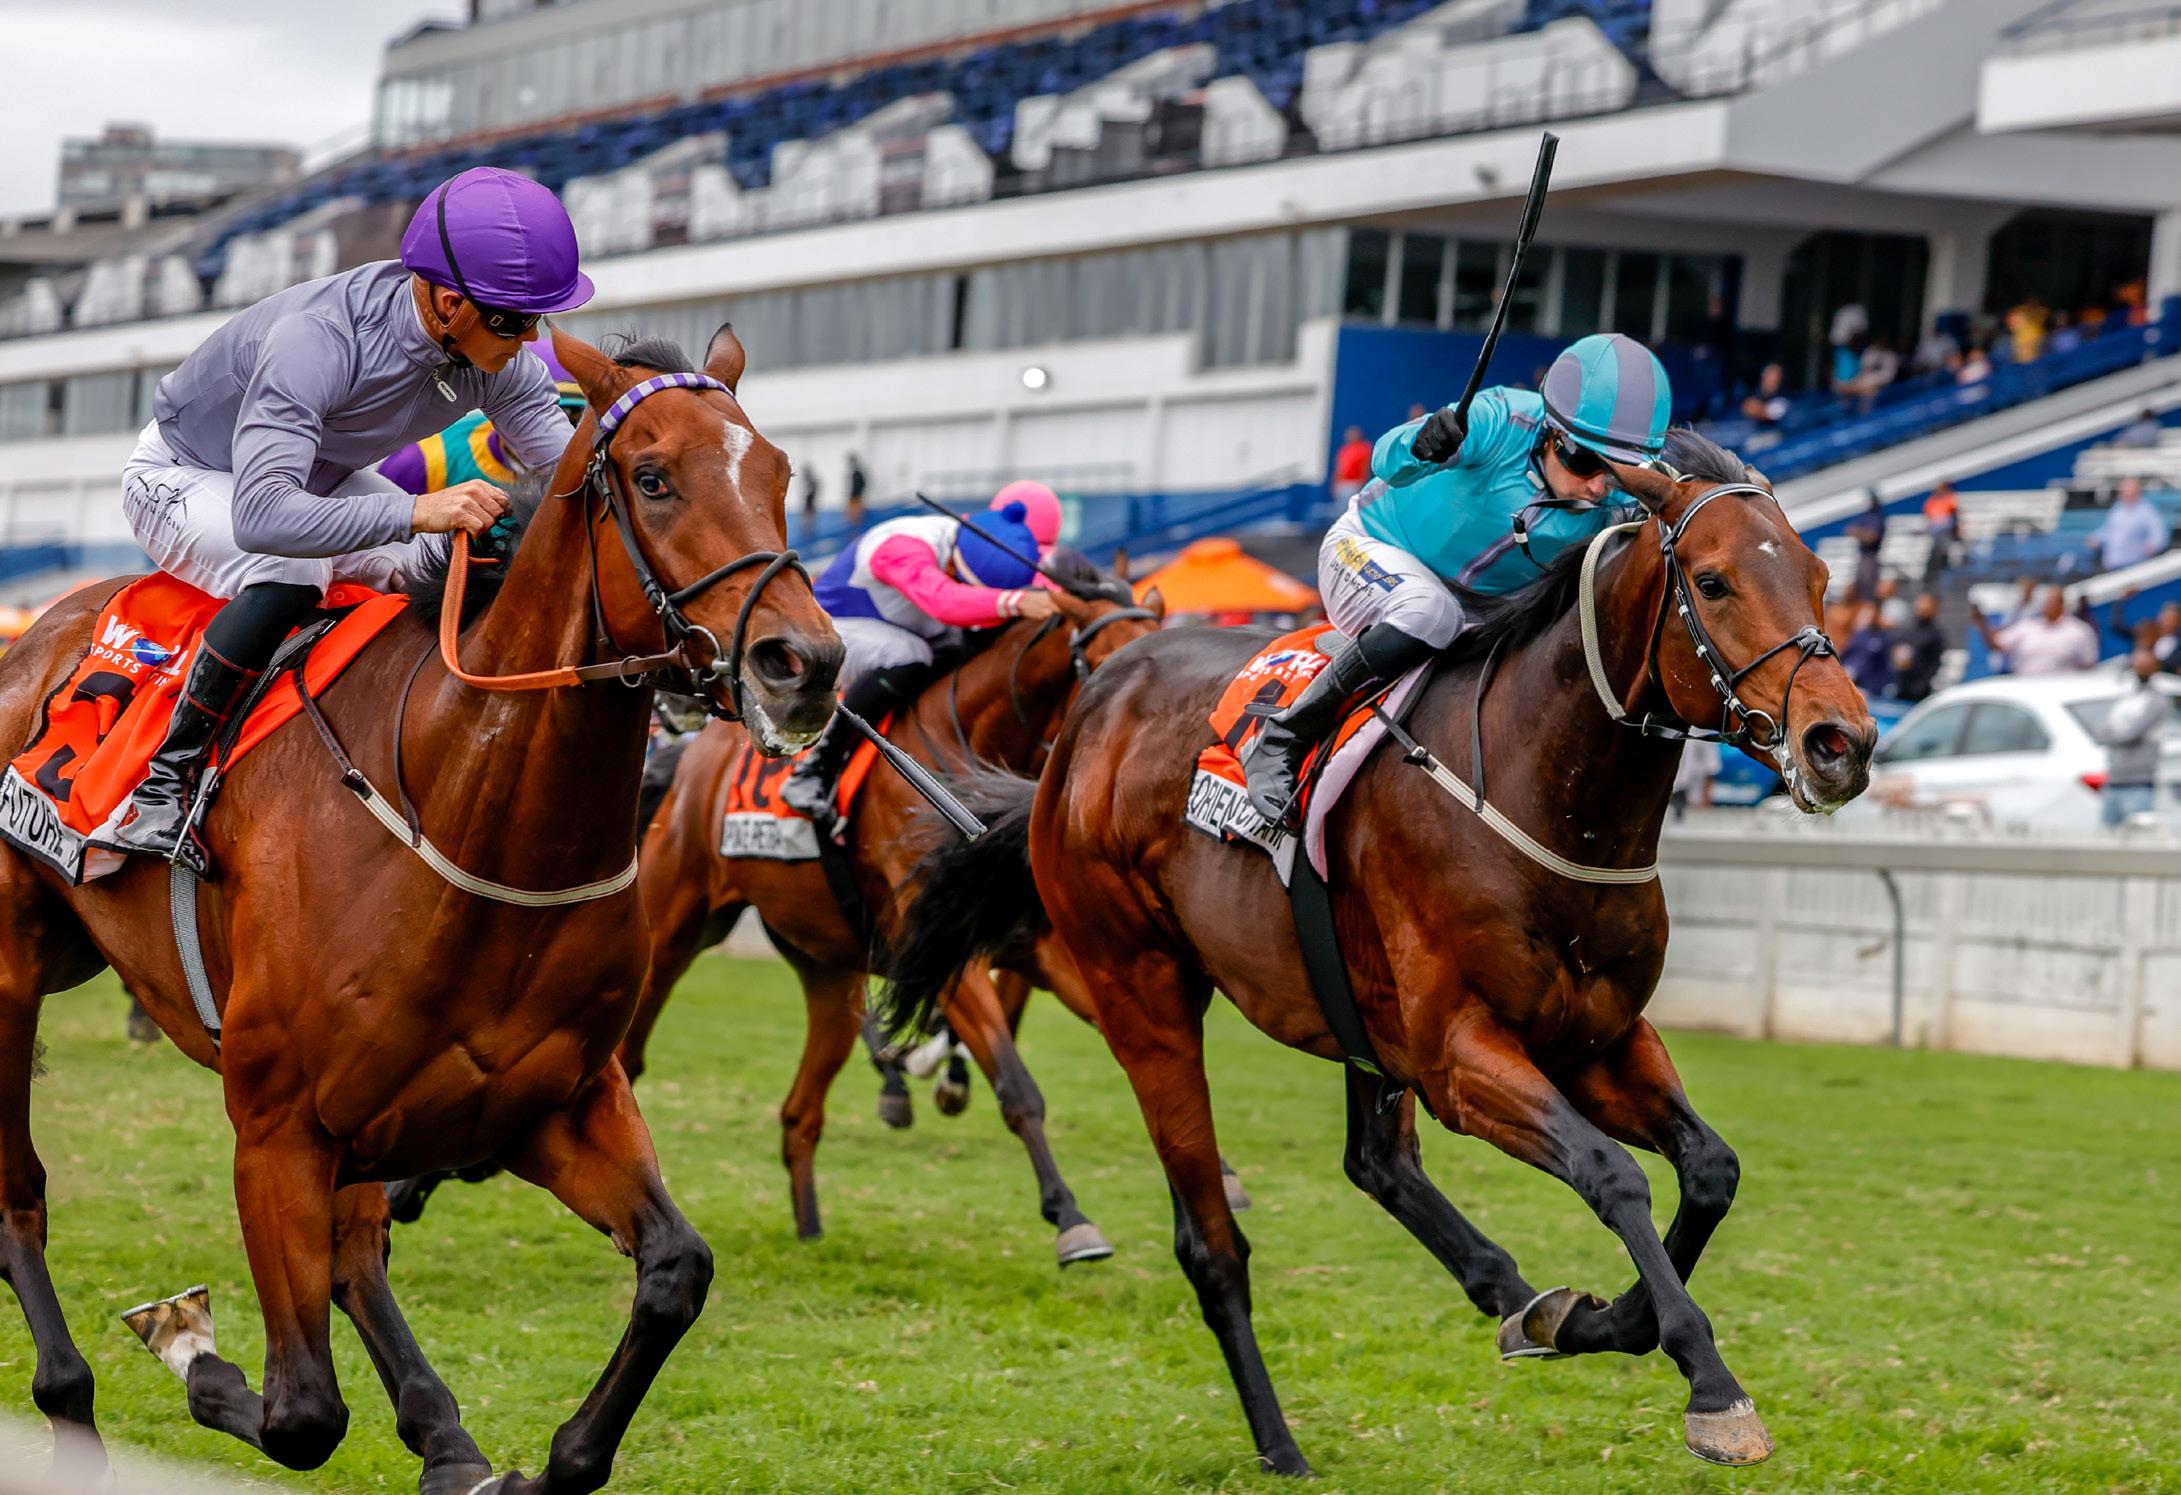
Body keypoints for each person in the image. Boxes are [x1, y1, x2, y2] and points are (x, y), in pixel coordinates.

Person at [110, 166, 594, 868]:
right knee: (293, 566)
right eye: (516, 321)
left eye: (539, 319)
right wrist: (419, 508)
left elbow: (573, 476)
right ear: (450, 303)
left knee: (440, 564)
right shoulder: (315, 340)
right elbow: (264, 517)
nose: (529, 339)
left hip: (317, 478)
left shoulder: (496, 359)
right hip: (185, 475)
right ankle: (162, 783)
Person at [1242, 332, 1672, 821]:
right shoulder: (1498, 418)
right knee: (1430, 612)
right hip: (1371, 548)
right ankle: (1284, 736)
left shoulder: (1621, 496)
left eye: (1618, 471)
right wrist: (1421, 444)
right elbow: (1387, 459)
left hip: (1483, 608)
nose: (1598, 486)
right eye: (1586, 460)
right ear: (1550, 433)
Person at [782, 497, 1052, 828]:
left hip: (904, 623)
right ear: (952, 565)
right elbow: (944, 602)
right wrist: (1015, 601)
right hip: (834, 630)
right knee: (912, 655)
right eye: (961, 580)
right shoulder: (902, 547)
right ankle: (816, 769)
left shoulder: (974, 542)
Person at [378, 341, 589, 494]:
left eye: (574, 417)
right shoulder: (422, 462)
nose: (555, 429)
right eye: (530, 415)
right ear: (501, 406)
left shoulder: (593, 467)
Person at [2096, 648, 2171, 828]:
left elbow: (2131, 734)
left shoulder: (2156, 700)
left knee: (2139, 837)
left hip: (2139, 781)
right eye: (2137, 665)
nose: (2140, 669)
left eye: (2145, 665)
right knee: (2108, 836)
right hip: (2114, 778)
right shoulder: (2126, 698)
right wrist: (2116, 734)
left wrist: (2115, 735)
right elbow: (2102, 733)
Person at [1971, 586, 2100, 676]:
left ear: (2061, 605)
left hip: (2062, 691)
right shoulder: (2027, 627)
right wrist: (1982, 624)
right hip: (2026, 691)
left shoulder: (2079, 630)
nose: (2048, 606)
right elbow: (1996, 645)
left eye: (2052, 602)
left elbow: (2088, 664)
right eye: (2046, 602)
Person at [2087, 476, 2171, 572]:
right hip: (2112, 562)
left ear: (2136, 491)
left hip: (2134, 565)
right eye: (2122, 489)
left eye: (2127, 489)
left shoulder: (2147, 511)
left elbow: (2159, 533)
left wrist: (2153, 545)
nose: (2123, 491)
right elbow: (2108, 529)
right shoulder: (2117, 508)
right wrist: (2096, 537)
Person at [1889, 592, 1947, 702]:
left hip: (1919, 691)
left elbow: (1935, 663)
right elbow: (1897, 649)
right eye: (1921, 602)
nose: (1922, 606)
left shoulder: (1935, 634)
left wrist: (1921, 684)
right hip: (1901, 684)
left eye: (1927, 603)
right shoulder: (1908, 628)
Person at [1841, 601, 1893, 697]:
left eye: (1873, 614)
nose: (1870, 617)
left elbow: (1884, 667)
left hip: (1868, 689)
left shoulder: (1884, 638)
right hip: (1849, 682)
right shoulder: (1859, 634)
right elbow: (1846, 655)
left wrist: (1873, 689)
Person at [1848, 493, 1886, 604]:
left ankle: (1869, 605)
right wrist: (1864, 534)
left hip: (1872, 555)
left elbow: (1872, 537)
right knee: (1859, 584)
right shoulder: (1865, 516)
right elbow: (1849, 530)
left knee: (1869, 586)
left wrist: (1860, 533)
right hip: (1863, 555)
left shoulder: (1878, 517)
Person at [1670, 735, 1718, 819]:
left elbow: (1711, 772)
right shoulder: (1674, 734)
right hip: (1676, 793)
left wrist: (1705, 797)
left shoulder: (1705, 736)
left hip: (1695, 800)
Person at [1922, 481, 1959, 580]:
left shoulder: (1951, 498)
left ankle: (1943, 568)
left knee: (1942, 547)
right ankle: (1933, 571)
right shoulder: (1931, 501)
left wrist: (1957, 530)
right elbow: (1929, 517)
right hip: (1935, 531)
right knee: (1935, 549)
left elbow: (1954, 515)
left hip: (1945, 530)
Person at [1331, 425, 1372, 503]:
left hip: (1354, 483)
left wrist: (1362, 484)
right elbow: (1339, 469)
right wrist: (1334, 483)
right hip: (1342, 484)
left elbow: (1364, 468)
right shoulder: (1344, 450)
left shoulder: (1363, 448)